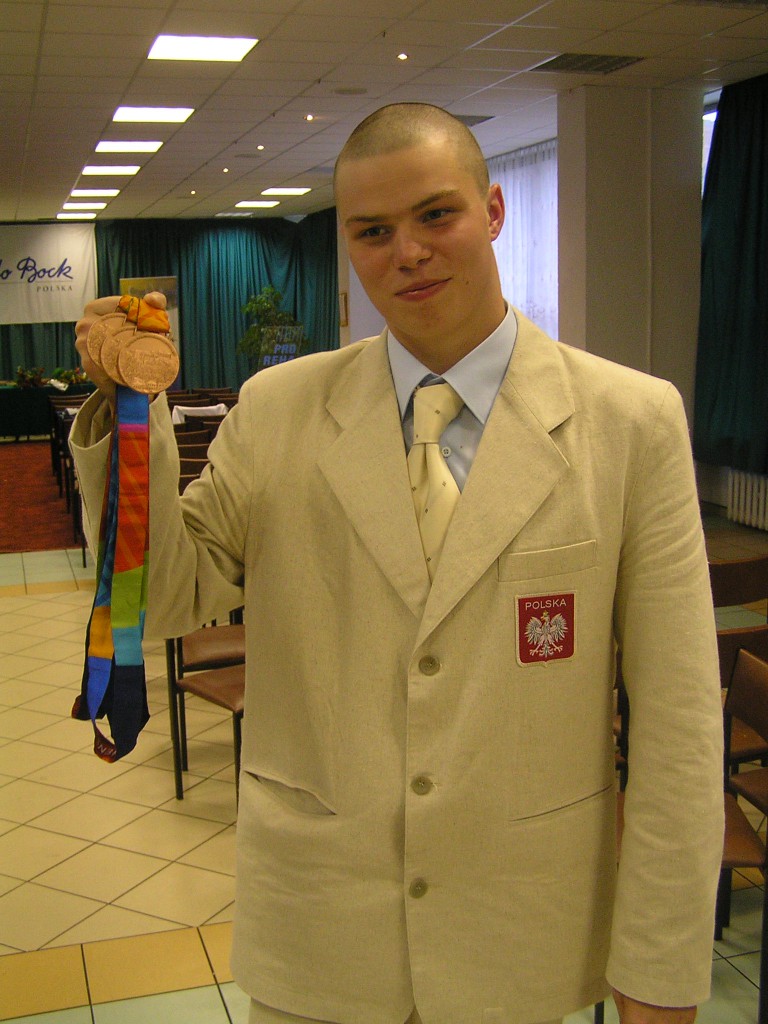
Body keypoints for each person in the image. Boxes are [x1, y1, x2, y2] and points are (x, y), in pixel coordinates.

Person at [71, 103, 724, 1024]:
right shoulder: (278, 410)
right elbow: (170, 598)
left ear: (493, 211)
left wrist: (659, 968)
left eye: (435, 215)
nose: (407, 253)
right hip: (321, 930)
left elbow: (678, 725)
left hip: (522, 938)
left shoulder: (629, 421)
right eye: (372, 231)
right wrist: (129, 417)